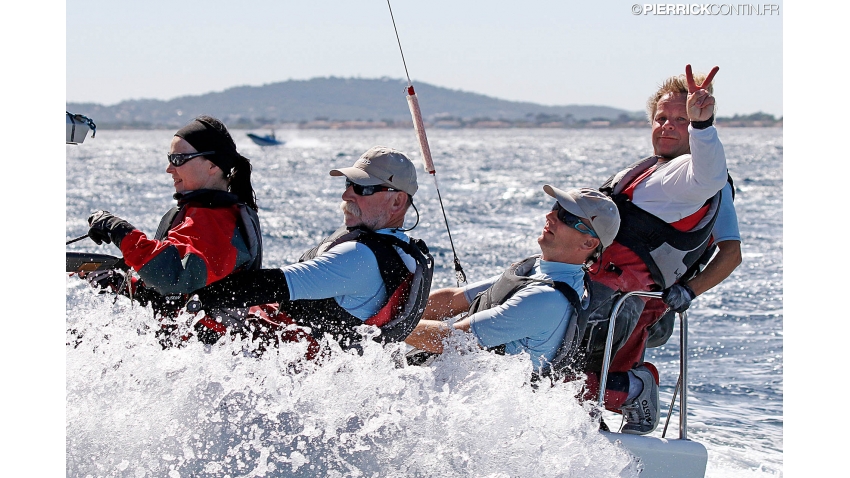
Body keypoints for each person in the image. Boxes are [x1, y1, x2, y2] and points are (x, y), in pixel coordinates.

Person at [576, 64, 742, 435]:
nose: (668, 125)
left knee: (582, 377)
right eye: (661, 117)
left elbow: (731, 254)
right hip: (605, 287)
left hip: (645, 300)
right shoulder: (647, 172)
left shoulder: (710, 184)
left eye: (681, 120)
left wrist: (688, 291)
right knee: (575, 371)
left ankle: (637, 389)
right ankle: (587, 435)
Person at [185, 146, 434, 353]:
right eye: (349, 183)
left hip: (279, 364)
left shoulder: (359, 258)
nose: (347, 194)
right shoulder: (405, 253)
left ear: (398, 201)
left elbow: (267, 286)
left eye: (363, 188)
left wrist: (190, 291)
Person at [83, 115, 263, 346]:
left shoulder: (217, 221)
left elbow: (173, 277)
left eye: (179, 159)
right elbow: (176, 295)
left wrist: (119, 230)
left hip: (205, 359)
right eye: (170, 158)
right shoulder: (202, 215)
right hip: (185, 350)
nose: (169, 168)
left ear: (212, 165)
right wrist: (120, 284)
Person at [404, 186, 620, 377]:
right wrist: (393, 311)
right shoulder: (535, 268)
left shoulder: (547, 299)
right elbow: (454, 300)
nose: (550, 215)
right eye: (556, 207)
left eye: (566, 216)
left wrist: (383, 324)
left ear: (589, 242)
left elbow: (452, 341)